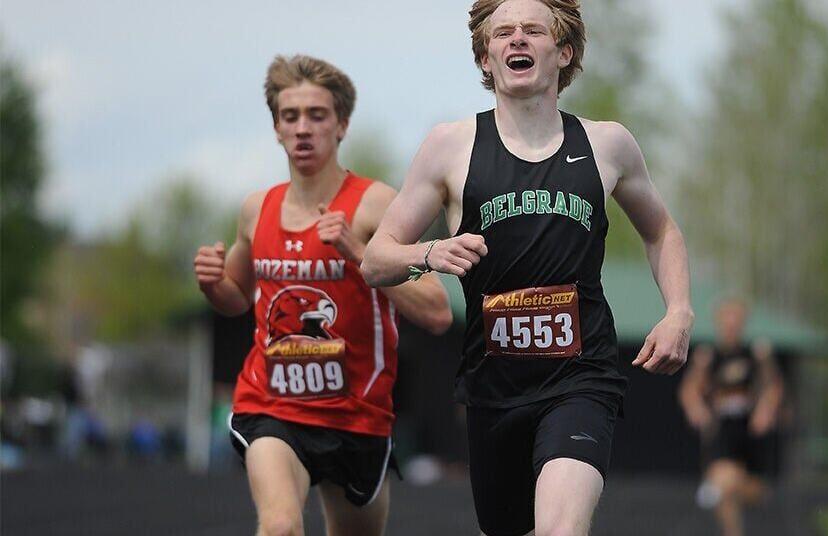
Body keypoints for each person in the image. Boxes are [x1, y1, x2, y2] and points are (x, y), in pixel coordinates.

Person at [360, 1, 694, 534]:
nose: (517, 40)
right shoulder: (450, 147)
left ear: (563, 52)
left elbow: (662, 231)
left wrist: (678, 310)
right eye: (504, 33)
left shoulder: (607, 144)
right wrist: (427, 253)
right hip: (494, 389)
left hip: (581, 377)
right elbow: (375, 260)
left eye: (533, 30)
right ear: (486, 57)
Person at [193, 54, 452, 536]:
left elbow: (437, 311)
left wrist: (359, 253)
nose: (303, 128)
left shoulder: (374, 204)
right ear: (276, 128)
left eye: (317, 115)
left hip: (357, 417)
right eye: (290, 117)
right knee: (280, 527)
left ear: (342, 125)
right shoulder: (257, 209)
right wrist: (212, 283)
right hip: (272, 406)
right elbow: (235, 296)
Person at [679, 298, 783, 536]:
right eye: (727, 320)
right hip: (723, 432)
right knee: (724, 486)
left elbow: (773, 388)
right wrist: (698, 412)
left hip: (750, 433)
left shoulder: (754, 356)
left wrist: (765, 410)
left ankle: (717, 488)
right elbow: (690, 390)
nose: (731, 326)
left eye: (736, 321)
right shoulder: (710, 357)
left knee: (745, 490)